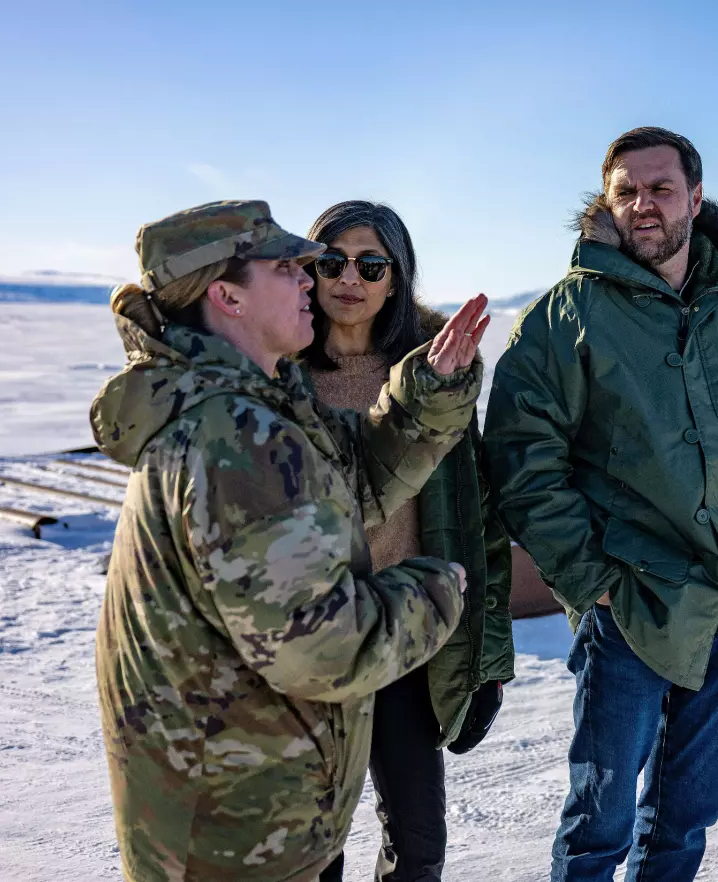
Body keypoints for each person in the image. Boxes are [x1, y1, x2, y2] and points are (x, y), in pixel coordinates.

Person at [90, 200, 489, 882]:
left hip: (240, 804)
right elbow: (321, 648)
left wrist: (425, 396)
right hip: (237, 828)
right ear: (227, 296)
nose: (314, 280)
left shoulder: (245, 405)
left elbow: (351, 482)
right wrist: (432, 592)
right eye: (289, 267)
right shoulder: (236, 437)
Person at [484, 127, 718, 881]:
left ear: (695, 200)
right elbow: (521, 457)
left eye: (661, 188)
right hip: (629, 599)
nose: (643, 205)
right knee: (598, 823)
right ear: (606, 202)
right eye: (626, 190)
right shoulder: (563, 316)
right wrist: (589, 576)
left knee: (686, 817)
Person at [301, 201, 514, 882]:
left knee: (418, 846)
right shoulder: (281, 377)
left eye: (370, 264)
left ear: (396, 278)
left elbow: (476, 519)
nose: (349, 279)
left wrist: (486, 655)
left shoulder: (433, 380)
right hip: (310, 642)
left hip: (405, 637)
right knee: (311, 849)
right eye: (331, 261)